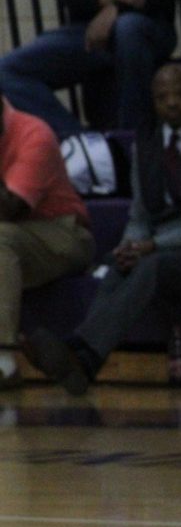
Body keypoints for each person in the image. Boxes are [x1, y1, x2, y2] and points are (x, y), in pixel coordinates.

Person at [23, 63, 181, 394]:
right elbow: (141, 211)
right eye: (162, 97)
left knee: (152, 265)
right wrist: (131, 244)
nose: (172, 103)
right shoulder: (148, 140)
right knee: (120, 264)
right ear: (152, 102)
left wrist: (153, 245)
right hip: (176, 237)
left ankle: (83, 354)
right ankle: (84, 357)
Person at [0, 0, 181, 137]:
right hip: (89, 31)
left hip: (149, 24)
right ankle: (86, 144)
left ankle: (133, 140)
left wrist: (116, 7)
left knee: (127, 28)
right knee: (5, 71)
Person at [0, 93, 95, 389]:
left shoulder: (33, 134)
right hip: (17, 238)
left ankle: (3, 361)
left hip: (63, 233)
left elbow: (10, 209)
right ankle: (26, 338)